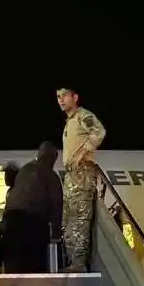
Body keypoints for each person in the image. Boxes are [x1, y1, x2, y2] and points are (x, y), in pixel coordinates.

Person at [56, 87, 106, 272]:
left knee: (80, 218)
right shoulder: (70, 122)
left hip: (82, 172)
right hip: (71, 175)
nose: (61, 100)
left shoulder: (82, 116)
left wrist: (82, 153)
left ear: (75, 97)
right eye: (58, 97)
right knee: (68, 219)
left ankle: (79, 263)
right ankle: (73, 262)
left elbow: (99, 132)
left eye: (64, 96)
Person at [0, 142, 62, 273]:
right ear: (52, 159)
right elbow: (57, 204)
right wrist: (55, 232)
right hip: (34, 221)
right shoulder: (51, 175)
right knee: (34, 264)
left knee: (13, 262)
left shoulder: (25, 169)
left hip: (11, 219)